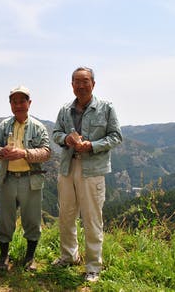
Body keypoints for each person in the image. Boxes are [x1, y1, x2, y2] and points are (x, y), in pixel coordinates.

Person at [52, 67, 122, 282]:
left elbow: (116, 136)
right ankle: (69, 256)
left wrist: (92, 145)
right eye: (76, 82)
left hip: (92, 170)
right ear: (71, 84)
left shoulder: (106, 108)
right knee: (66, 216)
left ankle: (93, 266)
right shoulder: (65, 110)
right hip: (67, 168)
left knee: (92, 219)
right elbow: (56, 133)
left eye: (85, 81)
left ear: (93, 83)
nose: (81, 86)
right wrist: (66, 139)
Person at [0, 85, 51, 271]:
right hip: (8, 178)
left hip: (30, 179)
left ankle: (30, 258)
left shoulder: (38, 127)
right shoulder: (4, 126)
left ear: (29, 103)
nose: (18, 105)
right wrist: (1, 151)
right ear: (10, 104)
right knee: (4, 219)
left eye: (22, 101)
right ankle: (4, 256)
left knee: (32, 219)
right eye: (15, 101)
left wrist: (24, 153)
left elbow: (46, 152)